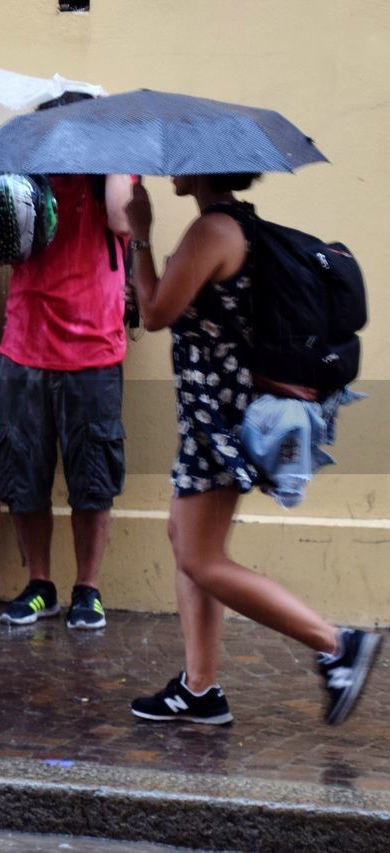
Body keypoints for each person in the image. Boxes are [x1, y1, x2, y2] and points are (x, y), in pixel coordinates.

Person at [125, 174, 380, 725]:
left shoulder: (212, 229)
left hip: (218, 418)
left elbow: (154, 313)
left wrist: (139, 234)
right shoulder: (236, 226)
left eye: (182, 162)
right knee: (186, 542)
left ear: (206, 170)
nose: (173, 171)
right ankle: (200, 688)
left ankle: (336, 643)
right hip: (210, 414)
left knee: (201, 557)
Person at [0, 93, 132, 631]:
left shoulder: (111, 177)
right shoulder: (28, 180)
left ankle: (87, 590)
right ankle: (41, 585)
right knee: (23, 472)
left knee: (92, 479)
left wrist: (116, 150)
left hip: (93, 350)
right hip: (24, 346)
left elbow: (121, 218)